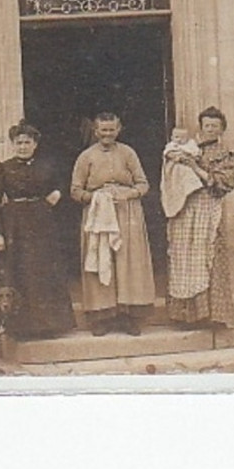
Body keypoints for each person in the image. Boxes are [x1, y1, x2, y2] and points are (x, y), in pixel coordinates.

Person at [70, 112, 155, 336]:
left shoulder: (128, 153)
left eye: (111, 130)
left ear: (119, 130)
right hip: (98, 214)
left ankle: (128, 316)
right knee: (99, 261)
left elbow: (144, 184)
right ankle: (101, 318)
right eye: (103, 130)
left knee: (129, 262)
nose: (107, 134)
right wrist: (96, 198)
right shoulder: (86, 156)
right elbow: (75, 190)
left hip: (127, 213)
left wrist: (129, 194)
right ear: (95, 131)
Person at [0, 122, 75, 339]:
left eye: (27, 142)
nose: (23, 147)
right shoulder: (3, 168)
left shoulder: (46, 166)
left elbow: (62, 184)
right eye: (19, 143)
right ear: (13, 145)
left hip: (41, 223)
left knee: (42, 273)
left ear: (35, 144)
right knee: (17, 272)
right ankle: (20, 328)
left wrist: (57, 194)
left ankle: (47, 326)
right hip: (13, 225)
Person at [165, 107, 234, 328]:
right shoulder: (188, 147)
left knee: (208, 258)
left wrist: (195, 168)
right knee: (183, 258)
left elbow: (223, 184)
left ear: (222, 129)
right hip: (185, 207)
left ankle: (211, 315)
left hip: (208, 209)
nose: (210, 129)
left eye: (214, 126)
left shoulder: (226, 155)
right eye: (206, 125)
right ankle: (185, 316)